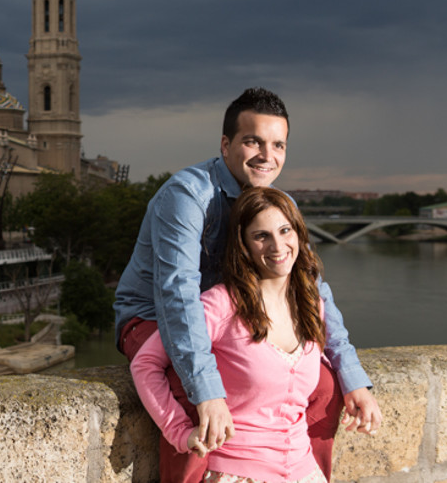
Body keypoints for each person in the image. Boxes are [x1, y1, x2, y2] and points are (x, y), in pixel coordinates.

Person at [114, 88, 380, 482]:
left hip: (232, 315)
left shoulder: (276, 205)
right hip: (152, 316)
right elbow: (178, 295)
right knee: (189, 389)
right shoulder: (187, 195)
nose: (266, 155)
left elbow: (313, 291)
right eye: (252, 141)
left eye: (278, 145)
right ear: (226, 144)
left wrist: (353, 376)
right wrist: (206, 389)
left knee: (325, 389)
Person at [131, 187, 377, 483]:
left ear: (298, 234)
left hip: (305, 471)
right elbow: (145, 364)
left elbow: (332, 352)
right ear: (244, 246)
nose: (278, 245)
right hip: (238, 472)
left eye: (285, 230)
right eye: (261, 236)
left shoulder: (312, 305)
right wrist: (180, 433)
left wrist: (357, 386)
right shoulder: (220, 305)